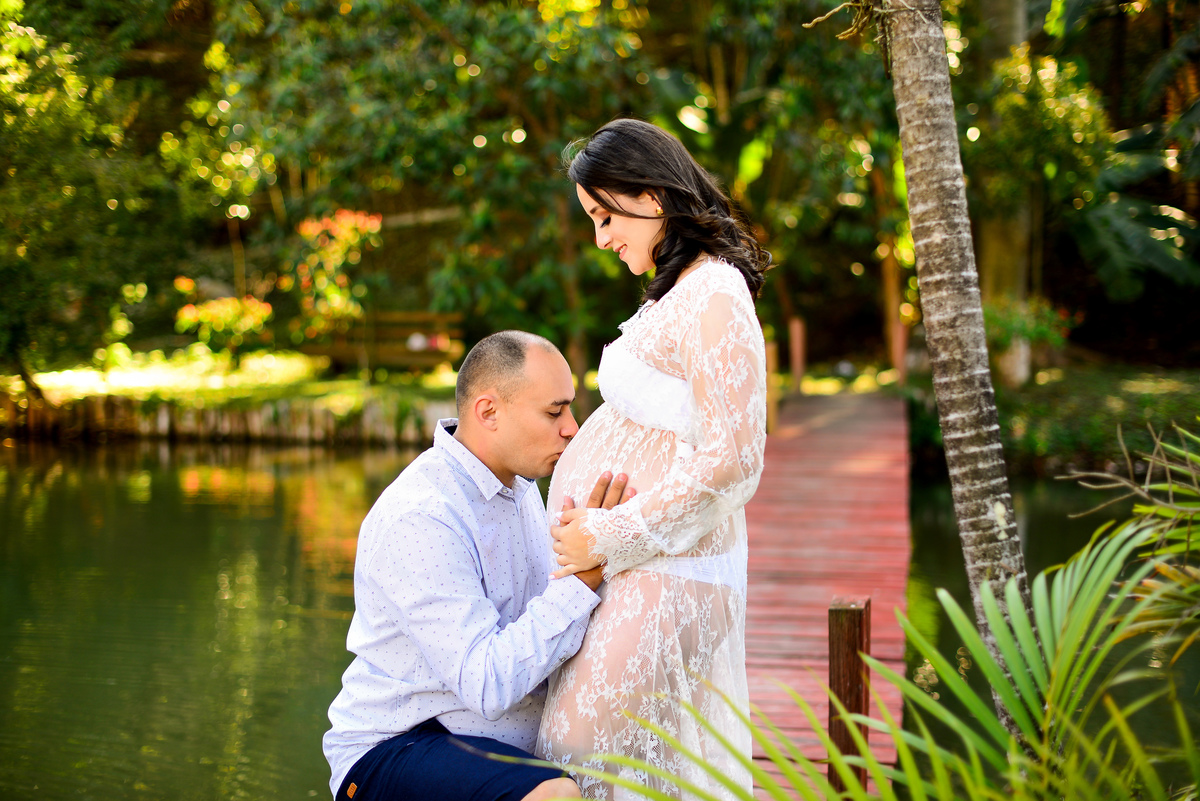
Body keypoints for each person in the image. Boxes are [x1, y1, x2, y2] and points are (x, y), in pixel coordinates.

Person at [535, 118, 769, 799]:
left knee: (575, 751)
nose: (602, 237)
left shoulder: (716, 291)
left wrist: (604, 534)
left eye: (606, 215)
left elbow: (733, 457)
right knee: (634, 770)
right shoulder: (682, 288)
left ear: (653, 195)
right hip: (651, 565)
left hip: (678, 567)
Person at [323, 330, 635, 801]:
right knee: (556, 796)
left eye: (569, 408)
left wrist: (604, 539)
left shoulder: (521, 486)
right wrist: (585, 575)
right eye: (554, 412)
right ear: (488, 412)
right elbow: (486, 683)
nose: (572, 427)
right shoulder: (423, 516)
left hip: (484, 743)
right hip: (398, 743)